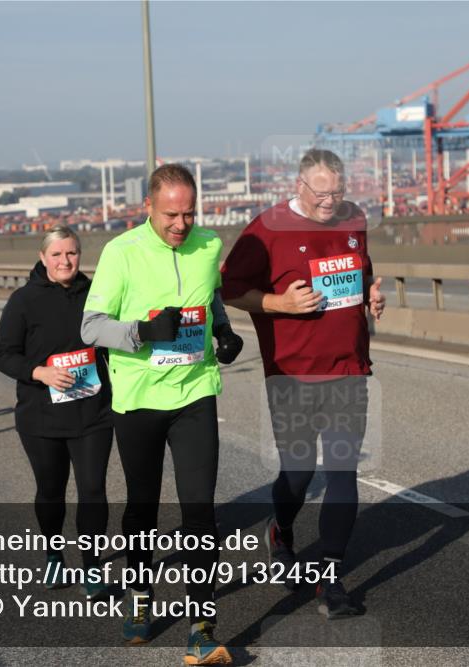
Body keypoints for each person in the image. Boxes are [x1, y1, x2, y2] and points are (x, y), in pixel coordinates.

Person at [81, 163, 242, 664]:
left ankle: (202, 626)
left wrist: (224, 331)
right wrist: (141, 333)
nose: (181, 224)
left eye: (189, 213)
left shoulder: (209, 245)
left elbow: (209, 296)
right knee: (142, 508)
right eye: (171, 214)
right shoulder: (120, 252)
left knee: (200, 510)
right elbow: (91, 327)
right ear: (147, 207)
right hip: (138, 400)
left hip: (195, 393)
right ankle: (141, 594)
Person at [221, 148, 386, 619]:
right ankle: (282, 530)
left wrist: (371, 290)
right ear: (299, 186)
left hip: (348, 368)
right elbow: (231, 290)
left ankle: (329, 581)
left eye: (338, 191)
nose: (330, 201)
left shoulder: (353, 220)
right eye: (321, 193)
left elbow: (362, 268)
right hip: (291, 373)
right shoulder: (267, 228)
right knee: (297, 475)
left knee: (342, 472)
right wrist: (279, 304)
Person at [0, 225, 114, 599]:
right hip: (41, 417)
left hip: (93, 412)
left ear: (80, 255)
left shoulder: (98, 294)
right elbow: (2, 355)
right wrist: (40, 372)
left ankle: (92, 564)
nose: (65, 261)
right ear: (43, 258)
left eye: (72, 253)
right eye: (57, 254)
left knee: (93, 490)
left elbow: (113, 341)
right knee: (51, 491)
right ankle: (54, 552)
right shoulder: (23, 300)